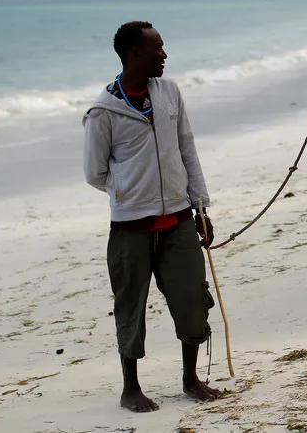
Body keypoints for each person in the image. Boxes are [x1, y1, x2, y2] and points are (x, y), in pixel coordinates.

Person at [83, 21, 221, 413]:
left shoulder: (169, 92)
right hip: (130, 229)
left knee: (192, 299)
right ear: (134, 55)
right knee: (131, 306)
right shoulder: (103, 110)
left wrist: (200, 205)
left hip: (178, 221)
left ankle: (191, 379)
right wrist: (130, 193)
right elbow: (95, 172)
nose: (164, 54)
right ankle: (131, 389)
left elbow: (186, 147)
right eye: (158, 48)